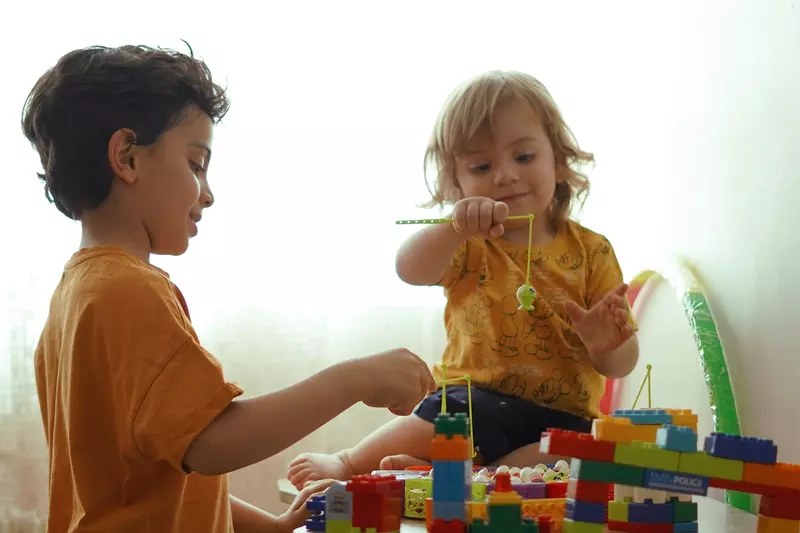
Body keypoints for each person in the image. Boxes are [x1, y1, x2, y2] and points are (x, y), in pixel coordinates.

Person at [23, 44, 436, 533]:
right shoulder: (127, 291)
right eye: (196, 164)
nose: (209, 193)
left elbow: (167, 471)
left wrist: (275, 526)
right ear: (127, 157)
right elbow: (210, 443)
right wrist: (358, 379)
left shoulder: (77, 295)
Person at [287, 70, 639, 489]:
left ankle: (456, 477)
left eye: (524, 157)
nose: (504, 175)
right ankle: (350, 461)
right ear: (457, 182)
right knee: (443, 420)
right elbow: (408, 268)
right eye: (481, 166)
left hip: (561, 419)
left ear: (559, 161)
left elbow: (622, 364)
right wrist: (453, 228)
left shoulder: (593, 250)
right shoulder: (469, 244)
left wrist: (608, 345)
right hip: (474, 401)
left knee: (583, 451)